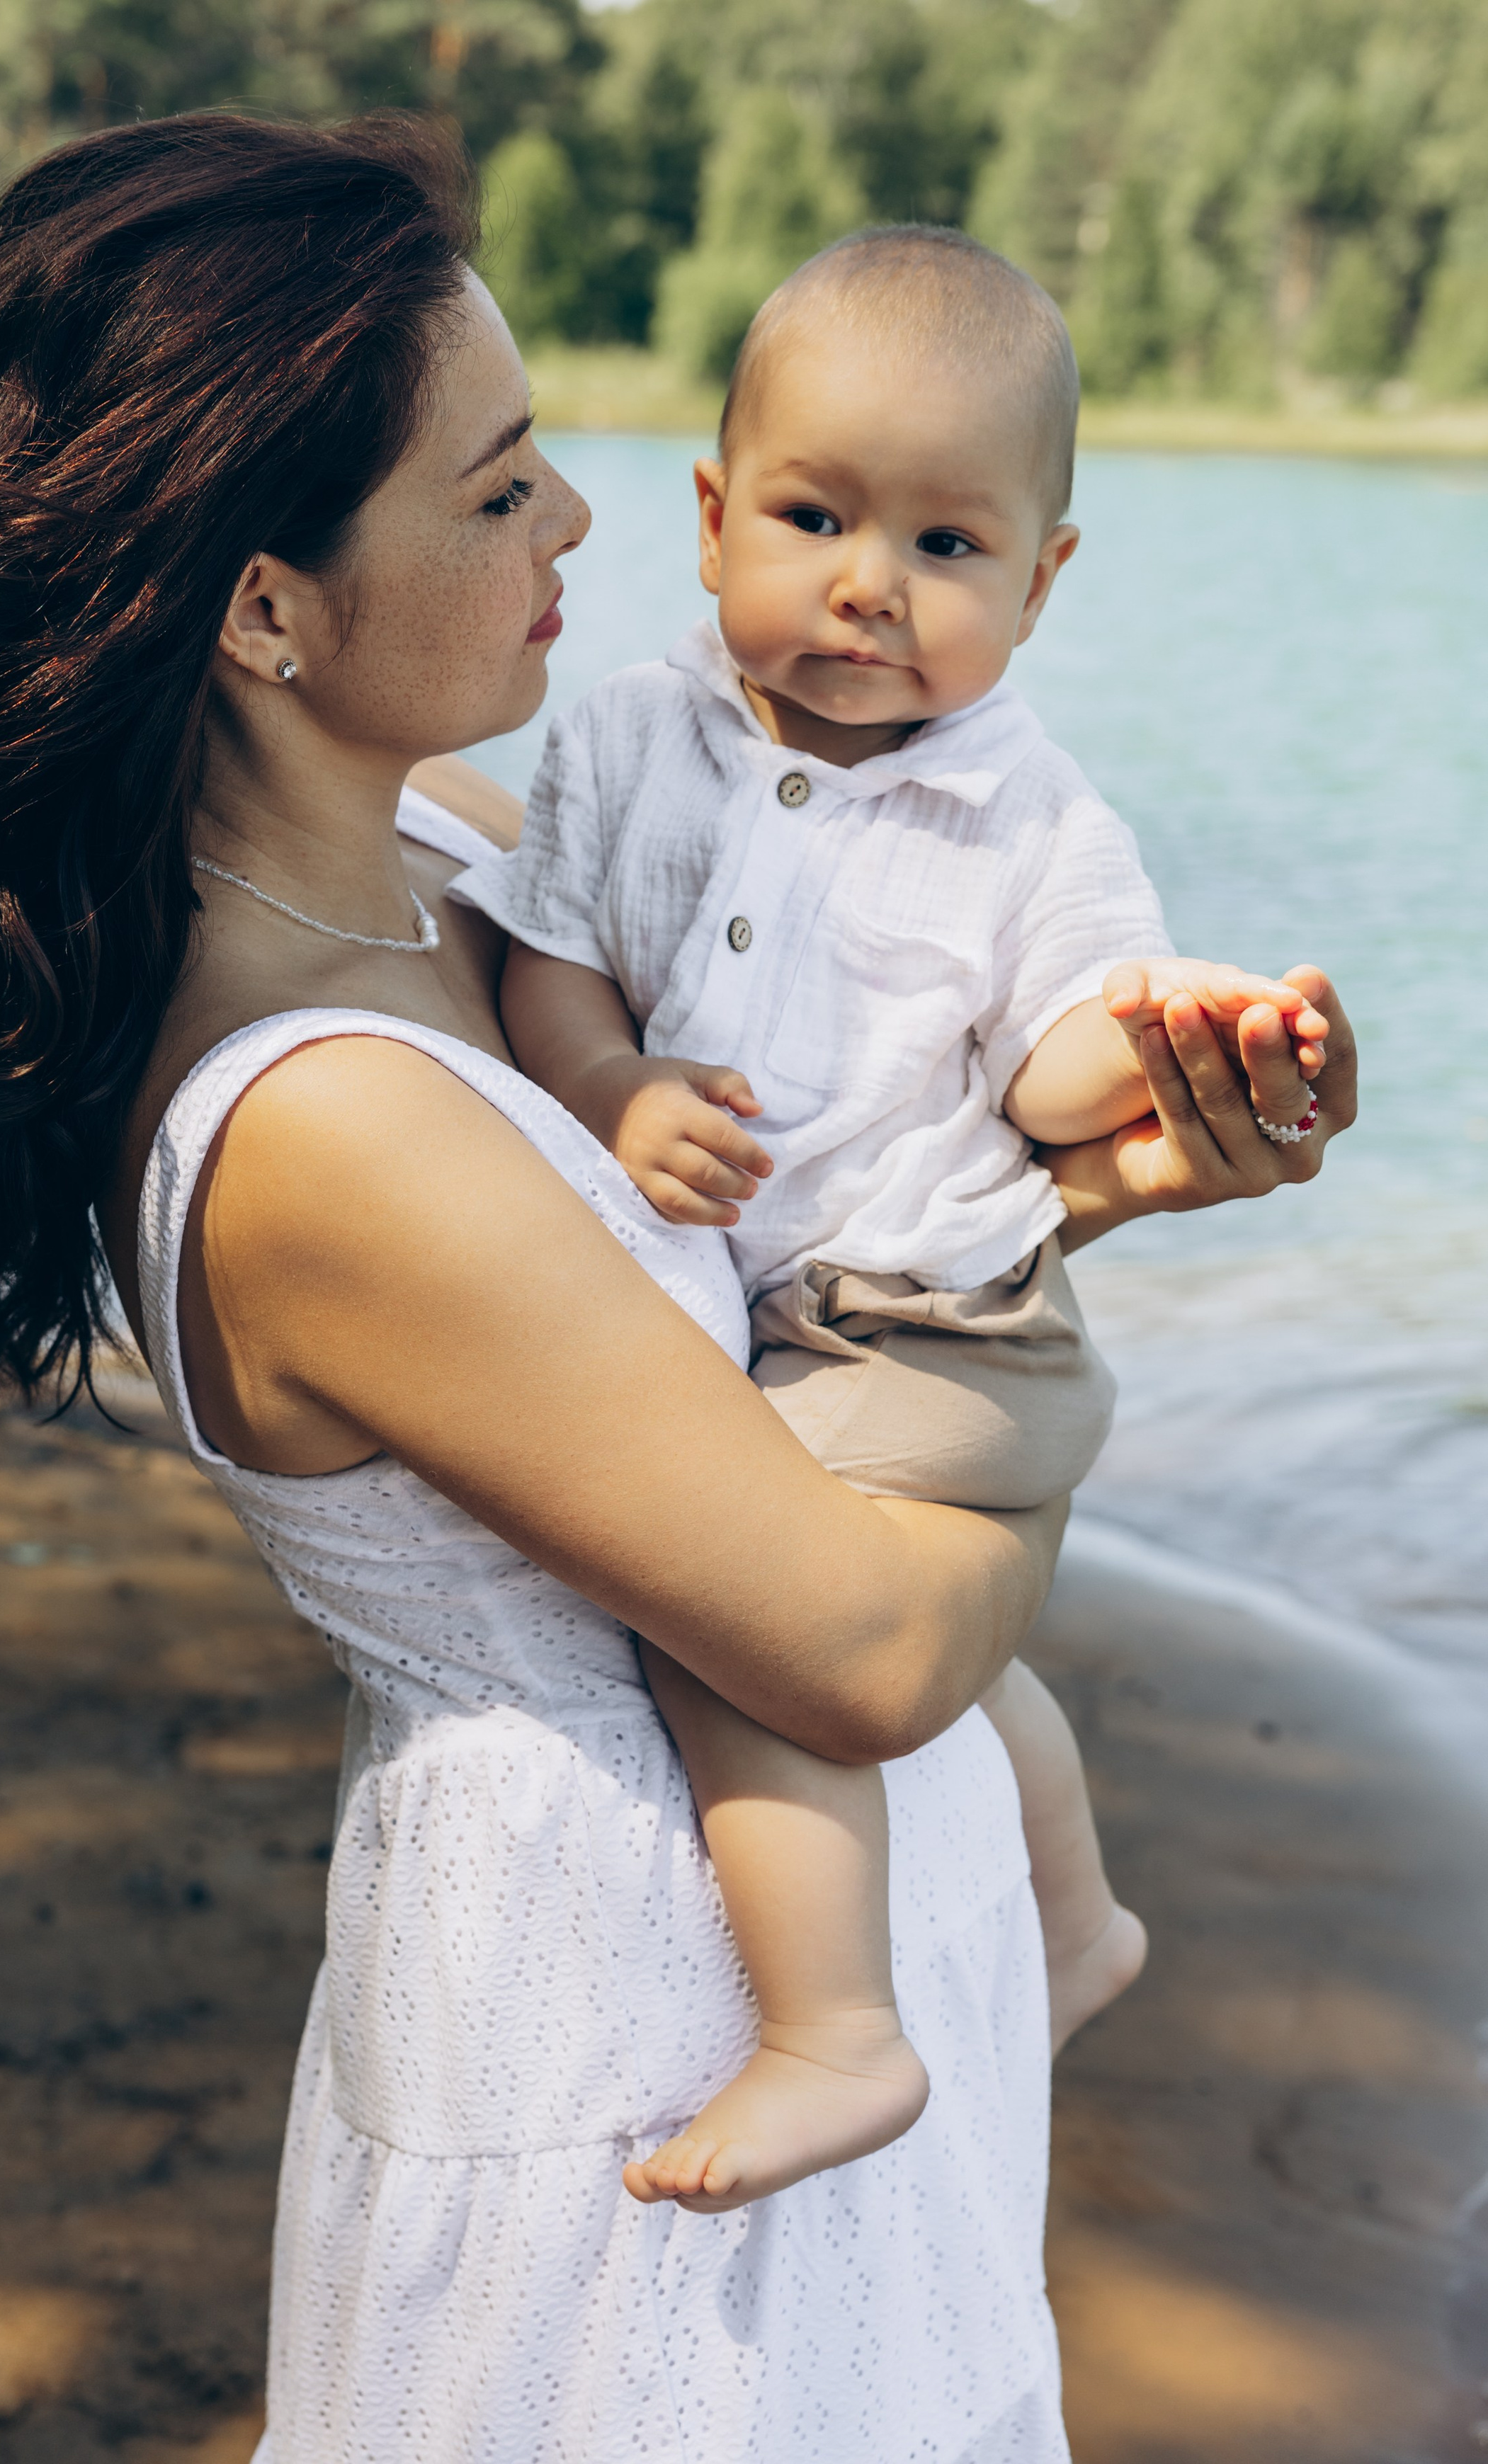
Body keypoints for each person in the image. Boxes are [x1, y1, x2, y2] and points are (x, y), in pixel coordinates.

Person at [0, 115, 1356, 2464]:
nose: (582, 522)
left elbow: (830, 1154)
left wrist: (1075, 1189)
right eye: (497, 490)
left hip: (810, 1976)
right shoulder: (320, 1126)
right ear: (264, 610)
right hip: (640, 2050)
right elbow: (863, 1643)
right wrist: (1028, 1390)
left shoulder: (449, 861)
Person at [455, 224, 1344, 2215]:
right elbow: (557, 961)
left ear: (1043, 582)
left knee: (731, 1597)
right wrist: (611, 1087)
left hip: (929, 1323)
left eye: (950, 548)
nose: (871, 581)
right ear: (711, 519)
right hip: (785, 1307)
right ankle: (1082, 1912)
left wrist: (1180, 1039)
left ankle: (838, 2031)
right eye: (815, 514)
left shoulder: (1036, 823)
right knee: (909, 1634)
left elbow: (1046, 1077)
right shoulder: (623, 735)